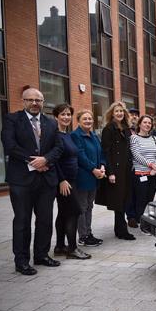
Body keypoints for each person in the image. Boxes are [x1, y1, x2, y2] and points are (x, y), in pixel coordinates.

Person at [1, 87, 64, 275]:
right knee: (22, 221)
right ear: (23, 101)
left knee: (45, 219)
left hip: (46, 180)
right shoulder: (12, 119)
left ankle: (41, 255)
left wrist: (46, 159)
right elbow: (9, 145)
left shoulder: (51, 123)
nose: (35, 103)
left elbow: (58, 147)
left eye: (39, 100)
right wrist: (34, 162)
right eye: (31, 100)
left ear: (43, 102)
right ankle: (21, 261)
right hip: (21, 180)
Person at [52, 104, 91, 260]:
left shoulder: (66, 134)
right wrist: (61, 180)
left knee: (63, 213)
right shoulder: (54, 135)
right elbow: (53, 160)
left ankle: (60, 247)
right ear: (56, 116)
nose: (66, 117)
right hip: (64, 182)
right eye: (63, 114)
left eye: (68, 114)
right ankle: (72, 249)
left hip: (72, 180)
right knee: (74, 212)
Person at [96, 102, 134, 240]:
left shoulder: (126, 129)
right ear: (112, 113)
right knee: (118, 201)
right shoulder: (108, 129)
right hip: (116, 170)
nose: (119, 113)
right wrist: (110, 172)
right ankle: (121, 230)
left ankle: (120, 229)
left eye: (121, 111)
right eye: (117, 111)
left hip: (127, 169)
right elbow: (106, 152)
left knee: (125, 199)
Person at [71, 109, 105, 248]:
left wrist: (102, 165)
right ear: (78, 120)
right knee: (82, 207)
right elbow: (80, 155)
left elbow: (101, 152)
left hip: (95, 176)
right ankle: (83, 236)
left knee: (89, 206)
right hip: (83, 176)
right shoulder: (75, 135)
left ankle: (88, 233)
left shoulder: (94, 135)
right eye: (84, 119)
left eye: (90, 119)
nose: (88, 121)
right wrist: (93, 169)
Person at [130, 115, 156, 233]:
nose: (147, 125)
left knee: (150, 199)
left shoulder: (154, 138)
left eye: (149, 123)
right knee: (141, 200)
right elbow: (136, 155)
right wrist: (151, 165)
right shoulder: (134, 138)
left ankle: (148, 222)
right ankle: (142, 224)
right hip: (140, 174)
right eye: (145, 122)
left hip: (153, 174)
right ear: (139, 124)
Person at [125, 107, 140, 227]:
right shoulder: (125, 130)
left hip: (140, 167)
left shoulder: (141, 130)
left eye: (136, 114)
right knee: (129, 193)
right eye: (132, 114)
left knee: (137, 192)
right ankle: (131, 216)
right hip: (128, 167)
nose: (134, 116)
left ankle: (137, 214)